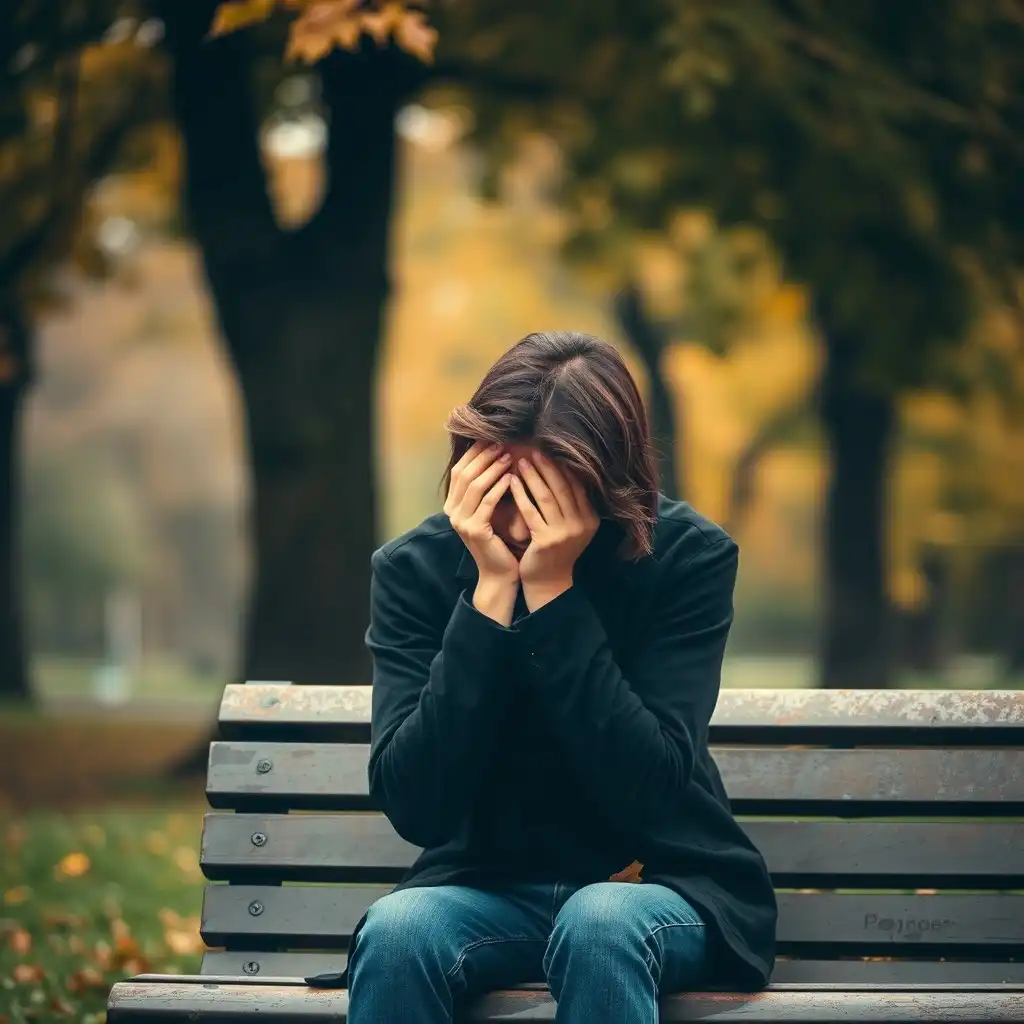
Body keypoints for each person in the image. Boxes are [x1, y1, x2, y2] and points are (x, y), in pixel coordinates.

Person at [312, 331, 777, 1022]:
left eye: (545, 496)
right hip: (486, 888)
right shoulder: (417, 570)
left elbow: (648, 790)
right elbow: (418, 806)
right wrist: (490, 597)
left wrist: (555, 595)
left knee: (600, 924)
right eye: (502, 490)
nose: (520, 524)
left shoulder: (686, 560)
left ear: (607, 486)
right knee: (399, 932)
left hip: (660, 883)